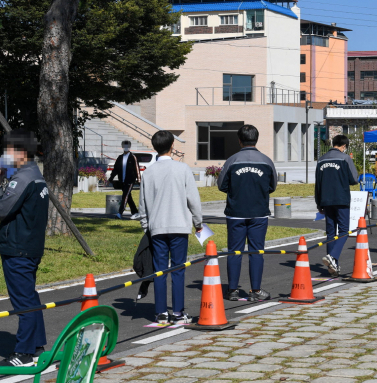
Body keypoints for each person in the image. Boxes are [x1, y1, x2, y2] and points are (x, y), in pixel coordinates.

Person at [0, 130, 48, 367]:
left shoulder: (22, 178)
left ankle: (23, 352)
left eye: (8, 151)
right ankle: (36, 346)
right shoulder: (36, 175)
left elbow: (2, 209)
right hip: (31, 245)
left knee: (23, 302)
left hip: (18, 247)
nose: (6, 155)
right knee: (30, 297)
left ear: (21, 152)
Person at [138, 130, 203, 324]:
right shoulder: (182, 169)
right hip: (179, 226)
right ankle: (177, 311)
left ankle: (160, 312)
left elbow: (143, 204)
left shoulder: (148, 172)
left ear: (154, 147)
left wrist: (145, 226)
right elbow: (193, 200)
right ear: (172, 146)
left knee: (159, 270)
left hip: (157, 227)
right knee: (178, 269)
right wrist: (198, 223)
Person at [218, 125, 277, 301]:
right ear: (256, 139)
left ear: (239, 140)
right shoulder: (266, 161)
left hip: (236, 212)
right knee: (256, 252)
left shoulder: (232, 160)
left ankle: (233, 290)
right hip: (259, 212)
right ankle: (256, 290)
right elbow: (272, 186)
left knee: (234, 251)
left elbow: (222, 185)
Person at [315, 135, 358, 276]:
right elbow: (354, 179)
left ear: (333, 144)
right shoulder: (345, 159)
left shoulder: (321, 159)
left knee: (331, 232)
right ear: (344, 146)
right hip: (341, 198)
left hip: (326, 200)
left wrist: (318, 202)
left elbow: (318, 183)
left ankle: (333, 267)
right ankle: (332, 257)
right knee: (344, 230)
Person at [108, 140, 141, 219]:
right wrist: (111, 178)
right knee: (128, 197)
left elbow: (137, 168)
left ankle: (120, 213)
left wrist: (139, 179)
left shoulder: (133, 157)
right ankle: (135, 212)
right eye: (124, 146)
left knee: (125, 196)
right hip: (122, 180)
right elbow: (115, 169)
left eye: (127, 146)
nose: (126, 147)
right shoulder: (120, 157)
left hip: (130, 180)